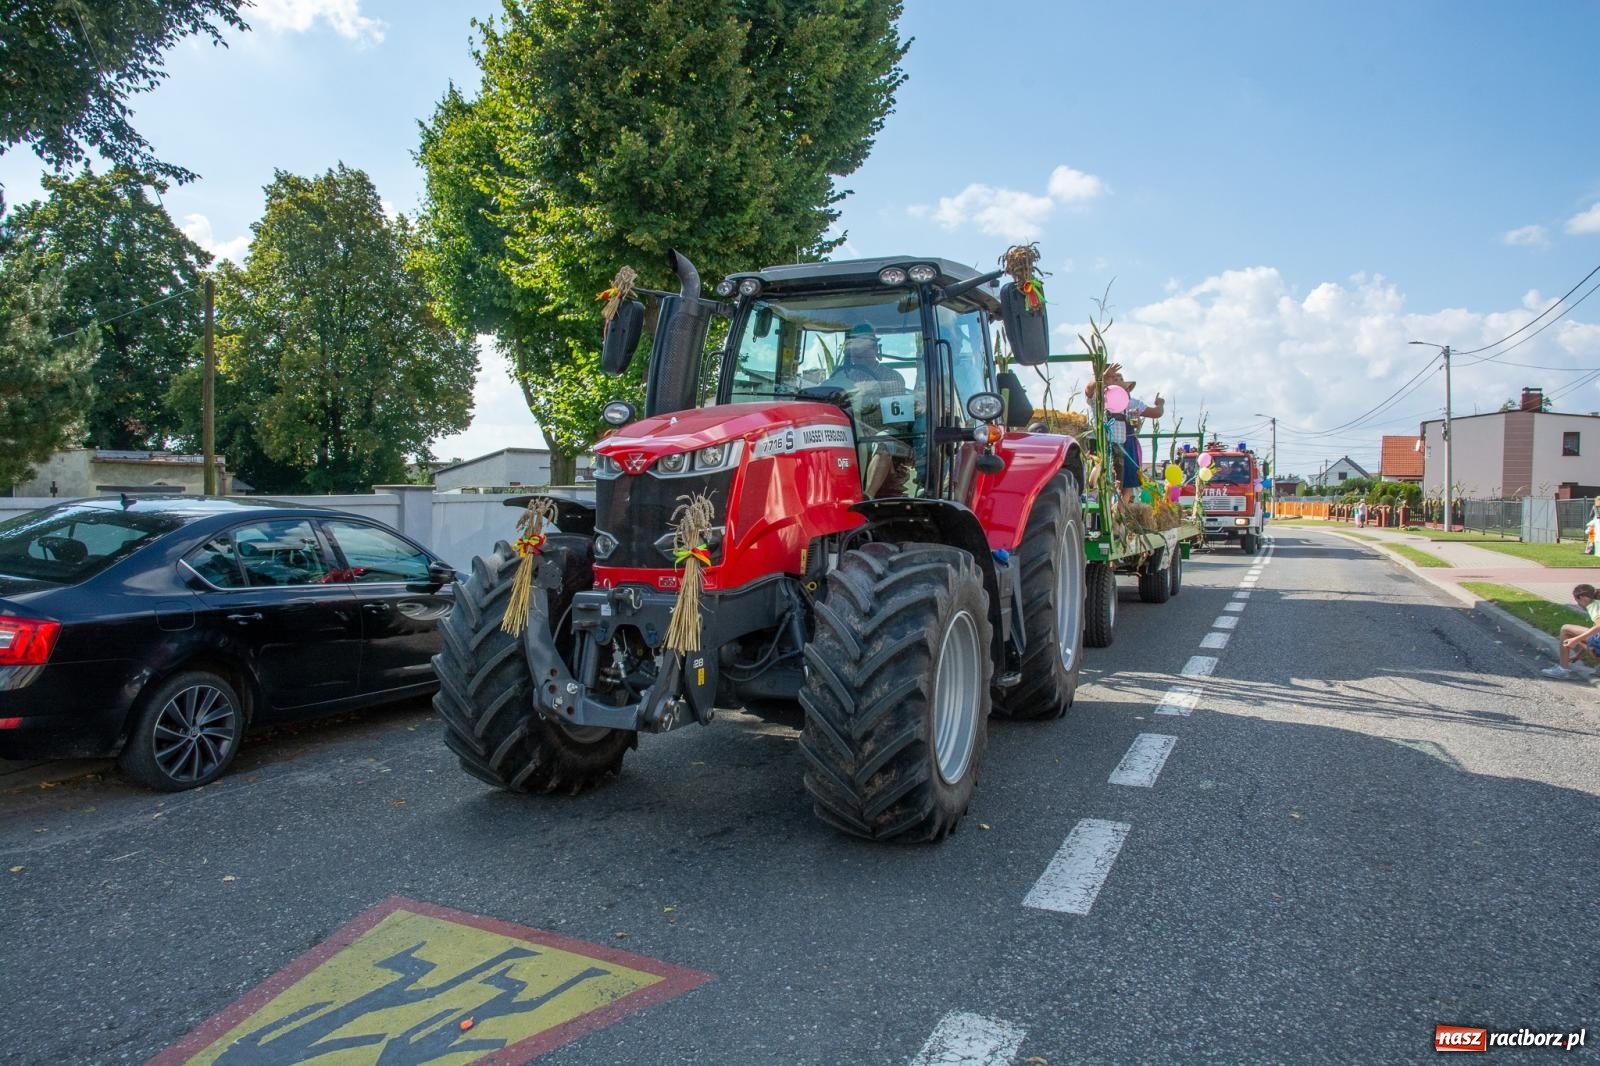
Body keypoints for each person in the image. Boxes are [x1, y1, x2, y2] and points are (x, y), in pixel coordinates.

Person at [819, 324, 914, 497]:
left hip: (883, 433)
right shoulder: (841, 376)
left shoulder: (893, 378)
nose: (858, 354)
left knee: (882, 441)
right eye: (854, 349)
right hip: (849, 430)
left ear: (875, 349)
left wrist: (872, 394)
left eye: (863, 349)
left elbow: (898, 421)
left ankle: (867, 495)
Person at [1086, 363, 1164, 503]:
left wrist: (1160, 404)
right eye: (1111, 378)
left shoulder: (1129, 402)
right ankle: (1101, 511)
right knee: (1099, 482)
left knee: (1121, 484)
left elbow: (1156, 412)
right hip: (1099, 446)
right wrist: (1101, 377)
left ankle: (1118, 514)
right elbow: (1088, 390)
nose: (1114, 381)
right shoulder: (1097, 398)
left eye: (1117, 378)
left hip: (1120, 446)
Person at [1542, 584, 1600, 678]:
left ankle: (1562, 670)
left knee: (1565, 629)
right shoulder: (1598, 603)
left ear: (1582, 598)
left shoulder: (1593, 606)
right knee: (1585, 634)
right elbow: (1594, 635)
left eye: (1577, 601)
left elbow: (1599, 626)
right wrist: (1579, 655)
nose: (1578, 604)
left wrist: (1575, 640)